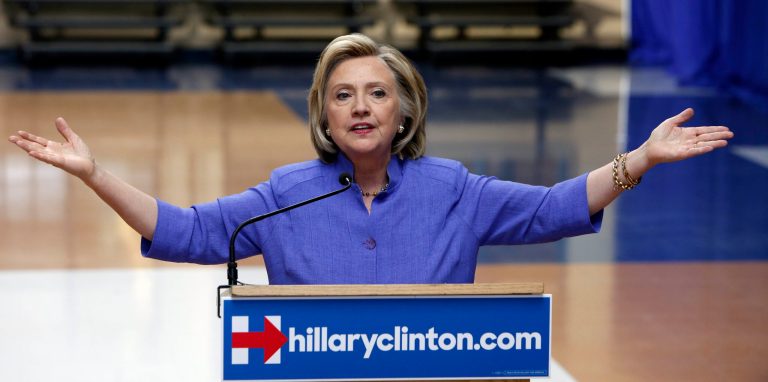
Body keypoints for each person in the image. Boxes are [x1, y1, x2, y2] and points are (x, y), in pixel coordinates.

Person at [7, 34, 733, 285]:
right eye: (342, 94)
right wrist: (95, 175)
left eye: (376, 93)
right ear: (324, 113)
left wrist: (638, 158)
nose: (359, 106)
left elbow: (552, 208)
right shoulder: (287, 193)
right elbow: (189, 230)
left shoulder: (455, 189)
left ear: (403, 110)